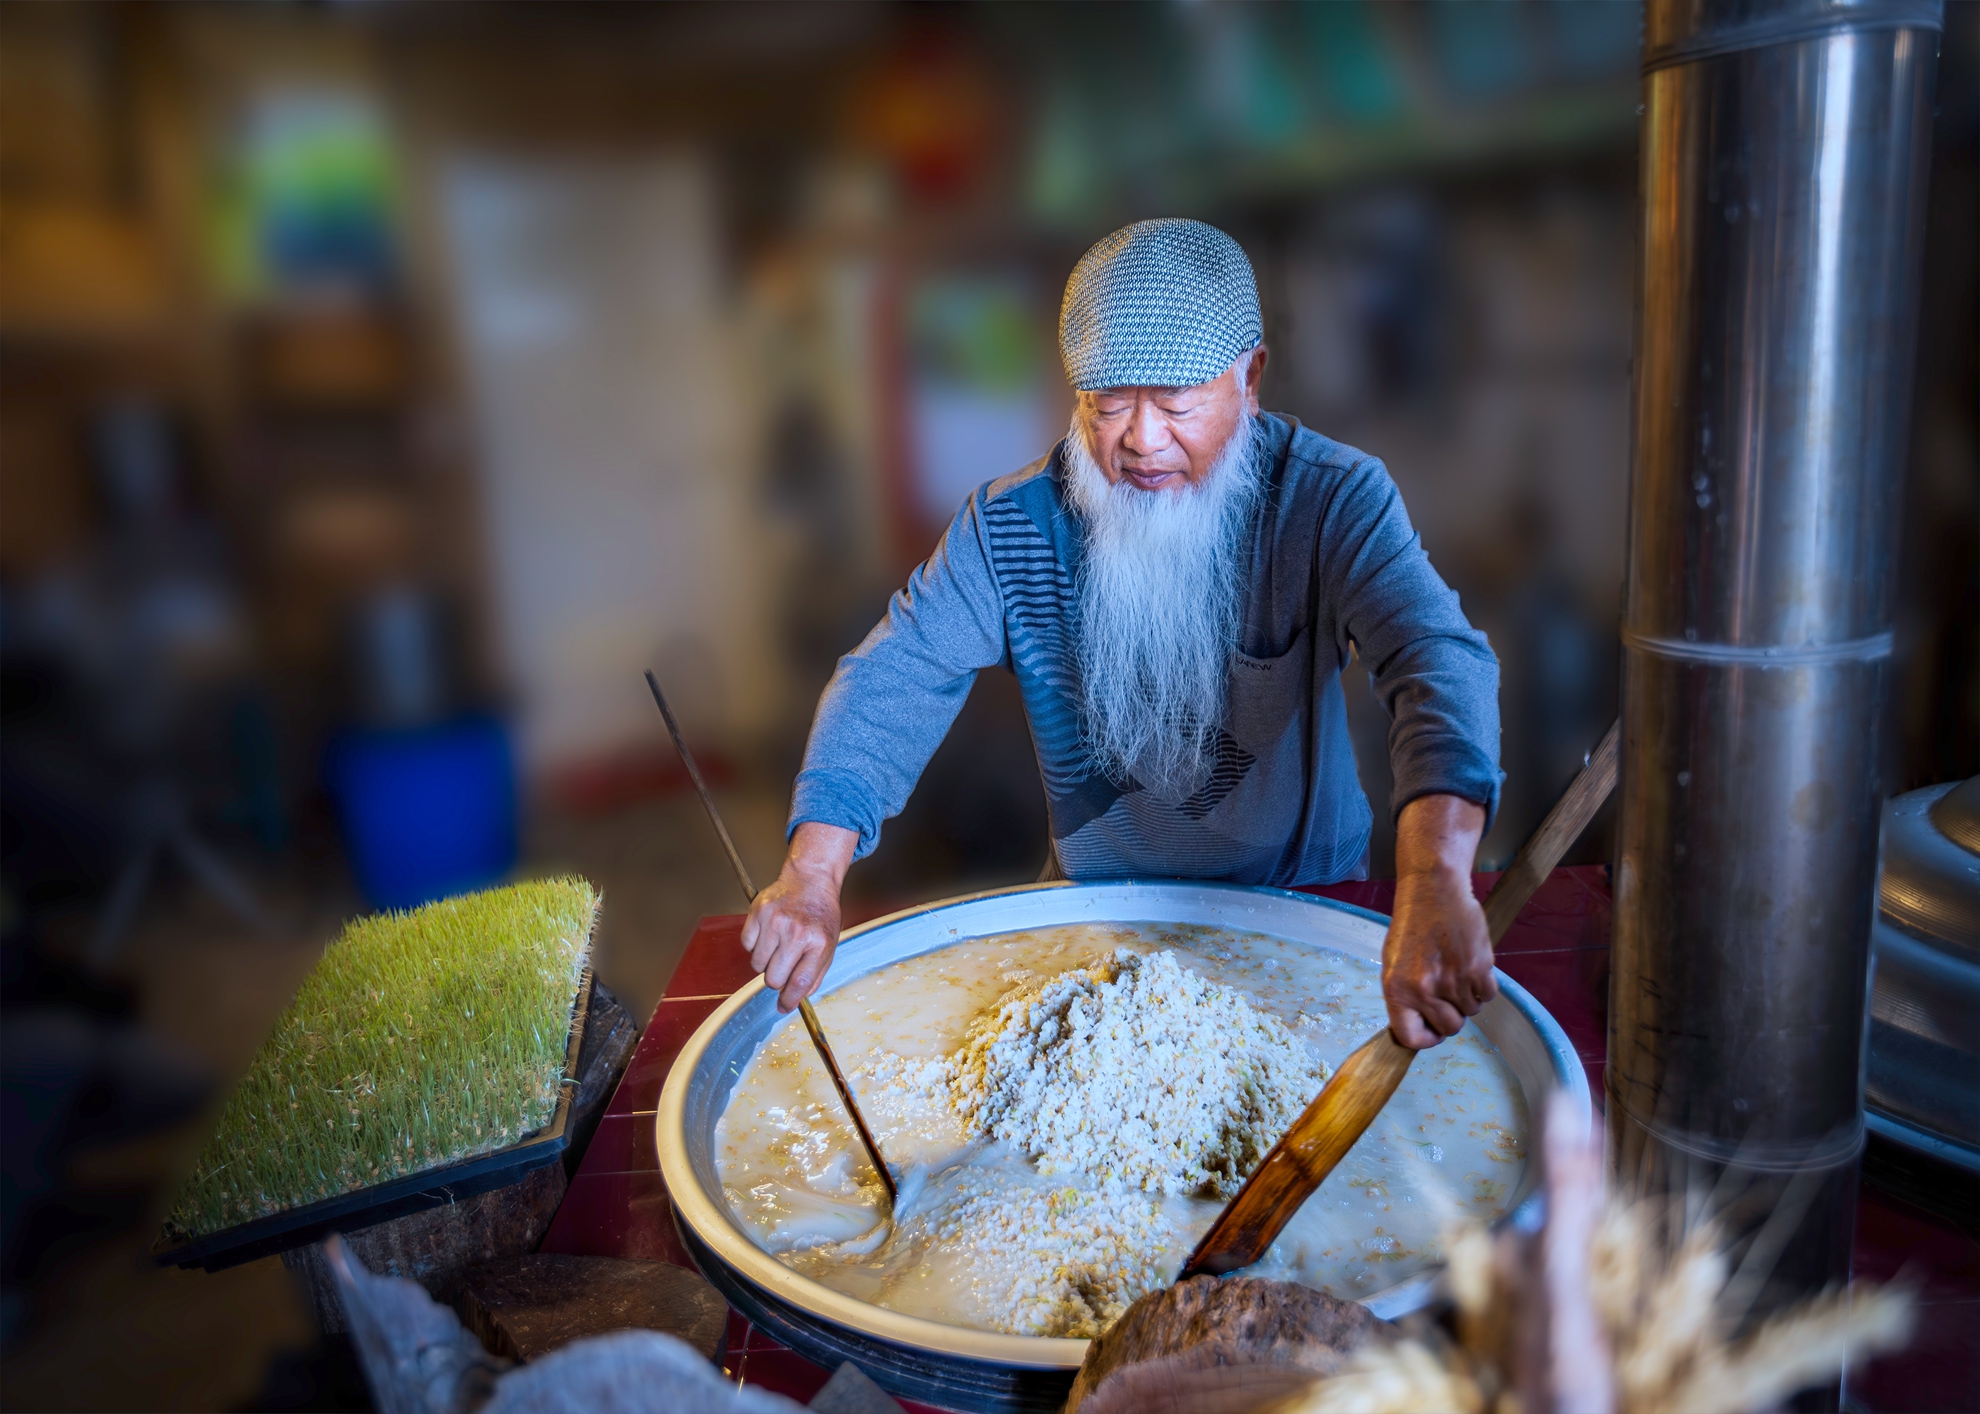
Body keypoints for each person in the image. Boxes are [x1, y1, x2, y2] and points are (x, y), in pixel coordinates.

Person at [743, 219, 1502, 1051]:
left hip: (1305, 912)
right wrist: (812, 875)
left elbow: (1433, 655)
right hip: (1097, 924)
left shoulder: (1329, 501)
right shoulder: (1012, 527)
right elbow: (899, 670)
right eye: (1108, 404)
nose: (1141, 440)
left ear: (1250, 378)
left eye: (1176, 404)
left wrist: (1435, 875)